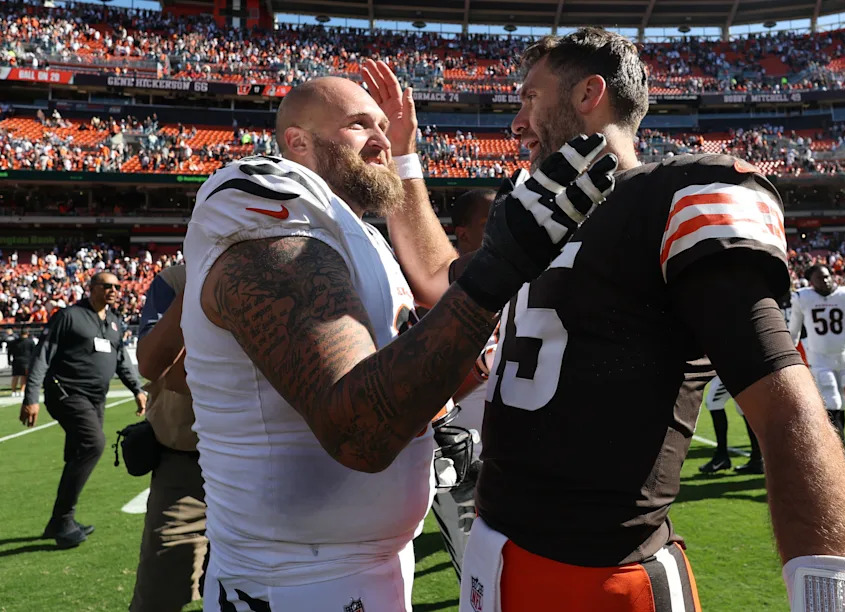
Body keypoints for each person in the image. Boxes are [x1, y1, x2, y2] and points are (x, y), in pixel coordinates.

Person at [458, 28, 845, 612]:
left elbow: (784, 406)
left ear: (589, 95)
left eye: (530, 98)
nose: (516, 121)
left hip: (602, 575)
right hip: (493, 551)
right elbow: (446, 284)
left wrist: (836, 599)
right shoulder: (534, 217)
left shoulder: (675, 195)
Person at [180, 59, 615, 611]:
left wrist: (449, 407)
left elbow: (399, 358)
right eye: (361, 124)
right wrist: (501, 266)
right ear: (298, 142)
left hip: (369, 565)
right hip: (289, 583)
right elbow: (357, 429)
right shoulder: (263, 199)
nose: (381, 137)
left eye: (384, 127)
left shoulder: (358, 234)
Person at [19, 271, 147, 549]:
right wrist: (31, 396)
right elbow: (43, 355)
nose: (113, 290)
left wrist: (137, 390)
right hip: (66, 392)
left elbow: (122, 362)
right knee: (93, 443)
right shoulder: (69, 317)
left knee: (78, 452)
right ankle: (63, 520)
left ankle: (60, 520)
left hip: (95, 398)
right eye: (107, 286)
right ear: (92, 288)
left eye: (117, 286)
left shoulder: (114, 323)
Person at [130, 264, 207, 612]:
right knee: (159, 595)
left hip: (266, 467)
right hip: (186, 463)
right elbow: (156, 365)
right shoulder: (177, 278)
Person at [432, 188, 497, 579]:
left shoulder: (519, 284)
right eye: (490, 223)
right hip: (459, 463)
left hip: (513, 461)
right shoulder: (434, 294)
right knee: (476, 579)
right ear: (463, 234)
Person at [788, 264, 845, 462]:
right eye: (820, 278)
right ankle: (841, 455)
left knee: (843, 402)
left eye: (827, 277)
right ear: (811, 282)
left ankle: (835, 447)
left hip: (843, 357)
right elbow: (794, 330)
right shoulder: (803, 298)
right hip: (819, 358)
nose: (825, 281)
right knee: (831, 400)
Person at [697, 376, 763, 474]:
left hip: (733, 369)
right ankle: (757, 459)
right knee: (743, 406)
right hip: (738, 369)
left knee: (713, 402)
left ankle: (721, 456)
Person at [8, 328, 35, 398]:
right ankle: (22, 391)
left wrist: (9, 361)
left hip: (16, 360)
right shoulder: (30, 342)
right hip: (26, 361)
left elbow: (9, 352)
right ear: (27, 333)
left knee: (15, 377)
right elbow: (34, 352)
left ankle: (13, 391)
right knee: (24, 377)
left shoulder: (14, 342)